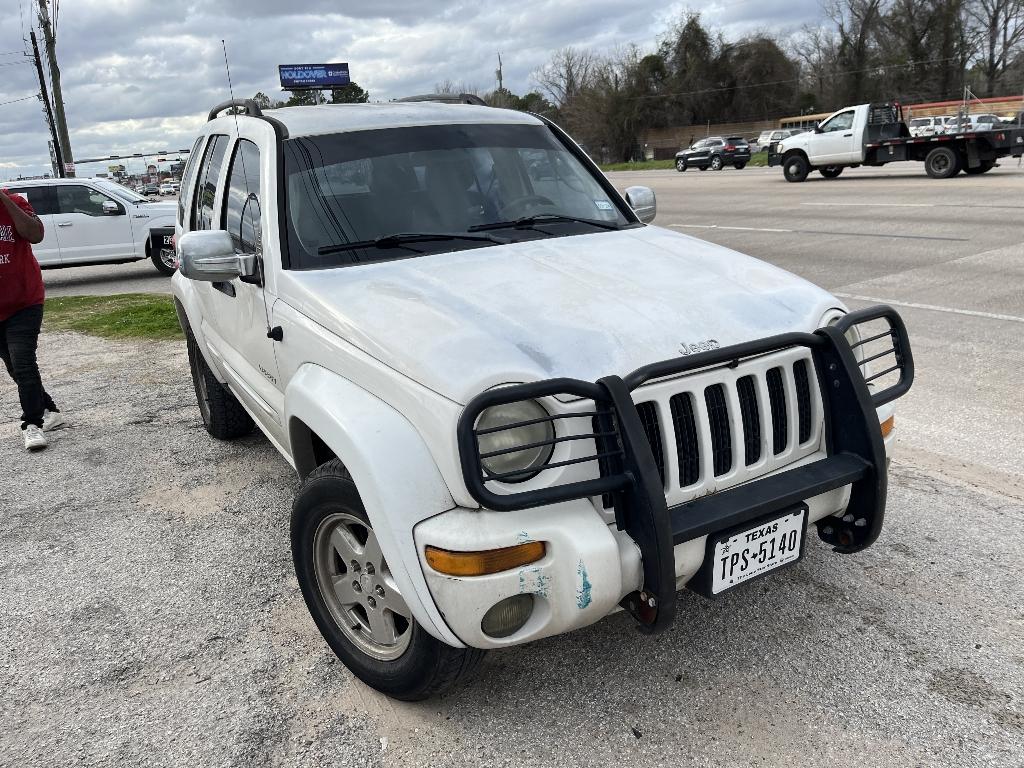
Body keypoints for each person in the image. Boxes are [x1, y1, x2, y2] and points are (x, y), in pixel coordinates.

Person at [0, 187, 64, 451]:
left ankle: (32, 425)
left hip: (25, 302)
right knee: (15, 367)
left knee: (23, 364)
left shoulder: (15, 202)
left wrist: (3, 200)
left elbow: (35, 234)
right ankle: (50, 410)